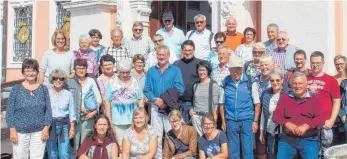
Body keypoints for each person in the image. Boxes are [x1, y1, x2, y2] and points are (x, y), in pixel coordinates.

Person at [144, 45, 185, 158]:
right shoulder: (151, 71)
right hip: (155, 107)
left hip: (170, 109)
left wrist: (165, 100)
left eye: (163, 54)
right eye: (159, 54)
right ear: (156, 55)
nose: (161, 57)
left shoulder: (175, 70)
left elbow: (180, 89)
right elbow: (146, 89)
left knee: (172, 134)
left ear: (168, 56)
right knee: (156, 136)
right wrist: (155, 100)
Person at [273, 72, 325, 159]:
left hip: (309, 139)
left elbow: (321, 117)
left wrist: (307, 125)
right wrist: (287, 123)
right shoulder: (284, 98)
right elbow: (276, 115)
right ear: (291, 85)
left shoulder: (315, 99)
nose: (297, 86)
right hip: (288, 138)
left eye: (300, 83)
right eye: (295, 83)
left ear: (306, 85)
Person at [6, 59, 52, 159]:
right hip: (20, 132)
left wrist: (46, 128)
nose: (30, 73)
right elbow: (9, 111)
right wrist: (12, 129)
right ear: (23, 72)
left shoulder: (44, 89)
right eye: (27, 70)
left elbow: (48, 110)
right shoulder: (16, 89)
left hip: (39, 132)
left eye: (33, 70)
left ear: (37, 72)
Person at [219, 56, 258, 159]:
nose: (236, 72)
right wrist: (223, 121)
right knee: (233, 151)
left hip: (247, 120)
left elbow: (257, 103)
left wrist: (255, 121)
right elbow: (221, 103)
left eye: (238, 69)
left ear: (242, 69)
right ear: (229, 70)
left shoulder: (250, 81)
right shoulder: (226, 82)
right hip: (231, 120)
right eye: (233, 69)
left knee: (248, 151)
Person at [66, 59, 102, 158]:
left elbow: (99, 99)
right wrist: (80, 108)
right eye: (79, 68)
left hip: (89, 117)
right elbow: (67, 99)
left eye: (83, 68)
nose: (81, 70)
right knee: (74, 143)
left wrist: (94, 112)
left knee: (86, 143)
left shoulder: (91, 81)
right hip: (75, 117)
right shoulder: (70, 82)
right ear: (74, 69)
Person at [104, 59, 144, 148]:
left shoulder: (134, 81)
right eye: (122, 72)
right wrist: (108, 119)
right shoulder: (112, 82)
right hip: (118, 120)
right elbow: (107, 101)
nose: (125, 75)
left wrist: (142, 115)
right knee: (121, 144)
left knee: (134, 144)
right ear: (118, 71)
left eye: (127, 72)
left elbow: (140, 98)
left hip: (134, 120)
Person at [306, 51, 341, 154]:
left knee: (325, 152)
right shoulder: (305, 79)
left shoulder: (331, 80)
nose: (315, 65)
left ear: (323, 63)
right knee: (310, 152)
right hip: (308, 123)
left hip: (325, 124)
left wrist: (332, 120)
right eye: (313, 63)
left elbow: (337, 101)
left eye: (318, 63)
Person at [47, 68, 76, 159]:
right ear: (52, 79)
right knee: (52, 154)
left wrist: (72, 128)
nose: (58, 80)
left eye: (61, 79)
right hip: (50, 126)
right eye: (55, 78)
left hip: (64, 126)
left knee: (64, 154)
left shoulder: (68, 94)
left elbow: (72, 112)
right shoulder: (47, 93)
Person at [174, 40, 204, 123]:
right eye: (185, 50)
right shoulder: (176, 64)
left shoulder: (200, 64)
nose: (187, 52)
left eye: (190, 50)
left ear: (194, 50)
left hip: (195, 105)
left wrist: (195, 106)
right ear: (182, 51)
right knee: (182, 131)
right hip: (179, 104)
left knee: (195, 131)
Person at [259, 71, 286, 159]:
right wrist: (261, 132)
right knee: (271, 154)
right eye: (272, 80)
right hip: (270, 130)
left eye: (277, 80)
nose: (275, 83)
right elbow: (263, 114)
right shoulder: (266, 94)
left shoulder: (288, 94)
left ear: (282, 80)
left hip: (285, 131)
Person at [251, 55, 275, 158]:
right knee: (260, 145)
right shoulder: (255, 79)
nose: (264, 67)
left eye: (267, 65)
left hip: (270, 115)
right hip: (257, 113)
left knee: (272, 145)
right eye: (262, 65)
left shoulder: (275, 79)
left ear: (272, 66)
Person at [190, 61, 219, 136]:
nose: (201, 72)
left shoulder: (213, 85)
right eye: (200, 70)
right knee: (199, 140)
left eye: (204, 70)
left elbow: (216, 106)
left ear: (208, 71)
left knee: (208, 139)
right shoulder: (195, 85)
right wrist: (192, 109)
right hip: (196, 117)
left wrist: (215, 122)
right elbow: (194, 101)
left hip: (207, 117)